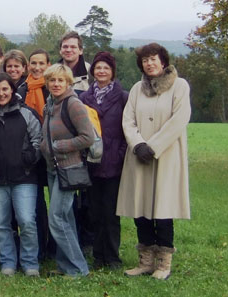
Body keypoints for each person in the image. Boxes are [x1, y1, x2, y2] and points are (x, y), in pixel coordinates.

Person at [117, 43, 191, 280]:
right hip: (139, 157)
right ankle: (145, 261)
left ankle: (163, 263)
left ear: (163, 60)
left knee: (162, 209)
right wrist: (138, 144)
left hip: (165, 156)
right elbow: (128, 120)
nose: (149, 63)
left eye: (153, 59)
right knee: (140, 209)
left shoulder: (179, 86)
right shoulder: (138, 88)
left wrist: (154, 146)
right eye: (145, 60)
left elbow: (179, 119)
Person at [0, 72, 42, 277]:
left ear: (12, 90)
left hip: (24, 177)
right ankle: (8, 262)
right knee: (1, 223)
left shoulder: (26, 113)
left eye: (5, 89)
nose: (1, 93)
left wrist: (29, 158)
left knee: (26, 221)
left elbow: (38, 140)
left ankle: (30, 263)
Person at [40, 64, 94, 277]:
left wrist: (59, 146)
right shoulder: (50, 105)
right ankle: (65, 266)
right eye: (52, 80)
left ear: (68, 83)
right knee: (66, 218)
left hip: (69, 168)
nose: (56, 84)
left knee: (57, 218)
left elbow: (87, 137)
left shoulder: (73, 104)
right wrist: (43, 147)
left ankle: (79, 269)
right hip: (53, 169)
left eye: (60, 80)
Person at [79, 52, 128, 270]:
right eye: (98, 68)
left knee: (111, 212)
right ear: (92, 71)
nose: (101, 71)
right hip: (92, 163)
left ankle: (113, 257)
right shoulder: (84, 98)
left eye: (106, 68)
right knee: (94, 212)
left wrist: (120, 154)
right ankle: (98, 256)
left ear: (112, 72)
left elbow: (128, 128)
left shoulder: (124, 97)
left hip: (114, 163)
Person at [26, 49, 52, 261]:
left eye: (41, 63)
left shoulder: (52, 87)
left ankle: (55, 247)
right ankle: (40, 247)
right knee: (36, 202)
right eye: (33, 63)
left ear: (48, 64)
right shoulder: (23, 88)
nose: (37, 67)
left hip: (52, 151)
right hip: (31, 152)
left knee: (58, 203)